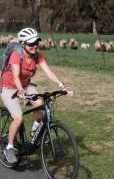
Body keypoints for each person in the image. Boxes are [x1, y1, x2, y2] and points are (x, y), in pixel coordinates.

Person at [0, 27, 74, 164]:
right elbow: (15, 76)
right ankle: (9, 147)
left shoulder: (37, 55)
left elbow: (48, 72)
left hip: (25, 85)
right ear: (23, 44)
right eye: (31, 43)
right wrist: (20, 91)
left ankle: (36, 130)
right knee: (18, 118)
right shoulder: (16, 55)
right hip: (8, 87)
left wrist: (62, 85)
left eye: (36, 43)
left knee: (40, 103)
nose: (34, 46)